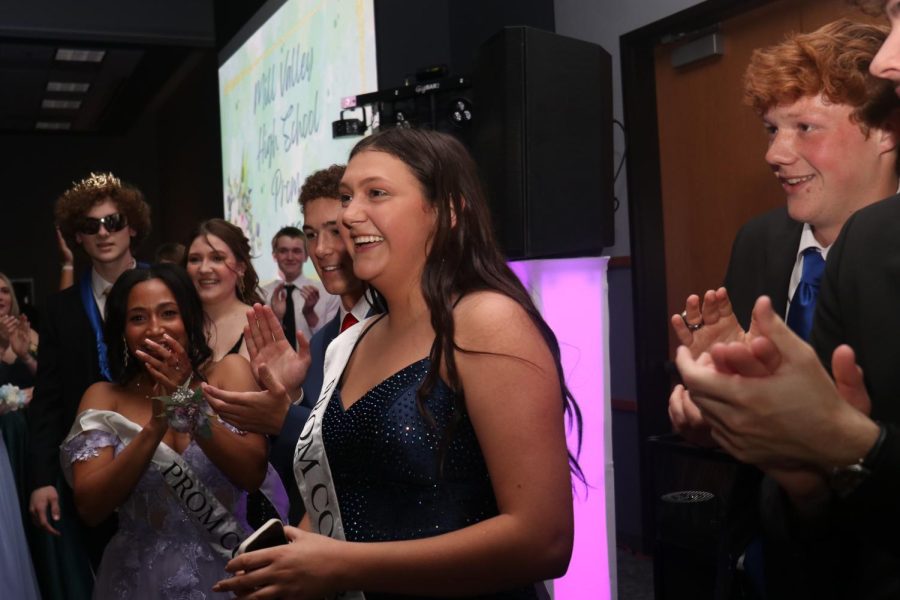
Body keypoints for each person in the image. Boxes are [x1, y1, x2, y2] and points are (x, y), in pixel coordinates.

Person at [214, 127, 580, 599]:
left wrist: (342, 565)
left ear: (447, 211)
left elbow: (544, 540)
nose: (349, 214)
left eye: (376, 193)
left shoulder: (486, 322)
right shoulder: (354, 341)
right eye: (346, 197)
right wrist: (290, 563)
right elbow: (347, 497)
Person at [60, 263, 267, 599]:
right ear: (123, 331)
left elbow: (252, 473)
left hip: (228, 567)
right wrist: (156, 425)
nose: (155, 329)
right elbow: (91, 508)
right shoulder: (104, 398)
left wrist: (185, 402)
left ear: (189, 318)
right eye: (138, 318)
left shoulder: (229, 374)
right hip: (138, 577)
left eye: (168, 313)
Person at [205, 164, 376, 524]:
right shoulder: (322, 339)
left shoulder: (395, 326)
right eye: (312, 234)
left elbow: (375, 454)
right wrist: (291, 396)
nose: (322, 249)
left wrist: (287, 414)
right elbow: (294, 468)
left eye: (336, 230)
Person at [27, 172, 151, 600]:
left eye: (114, 221)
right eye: (91, 226)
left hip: (165, 459)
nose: (104, 233)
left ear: (132, 225)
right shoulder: (60, 309)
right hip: (93, 475)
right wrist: (41, 479)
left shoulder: (166, 287)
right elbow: (47, 400)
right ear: (76, 237)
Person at [184, 219, 263, 361]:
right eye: (195, 259)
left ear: (240, 268)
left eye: (217, 258)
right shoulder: (178, 323)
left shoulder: (258, 324)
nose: (204, 269)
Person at [261, 226, 339, 350]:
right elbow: (260, 343)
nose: (290, 257)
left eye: (296, 251)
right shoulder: (262, 294)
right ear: (274, 255)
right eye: (283, 251)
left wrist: (310, 314)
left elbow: (333, 342)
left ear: (306, 255)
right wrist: (276, 317)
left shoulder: (328, 293)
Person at [0, 271, 38, 390]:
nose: (0, 297)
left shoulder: (27, 334)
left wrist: (26, 357)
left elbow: (49, 378)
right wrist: (2, 346)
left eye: (5, 291)